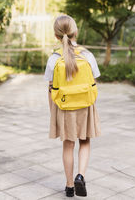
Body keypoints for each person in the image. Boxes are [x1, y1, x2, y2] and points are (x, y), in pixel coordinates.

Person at [44, 14, 102, 197]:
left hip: (64, 107)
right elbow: (93, 82)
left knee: (68, 145)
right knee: (85, 141)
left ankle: (69, 186)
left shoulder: (54, 58)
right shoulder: (87, 55)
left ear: (56, 36)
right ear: (76, 32)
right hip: (85, 106)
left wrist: (53, 112)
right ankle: (80, 176)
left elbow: (50, 88)